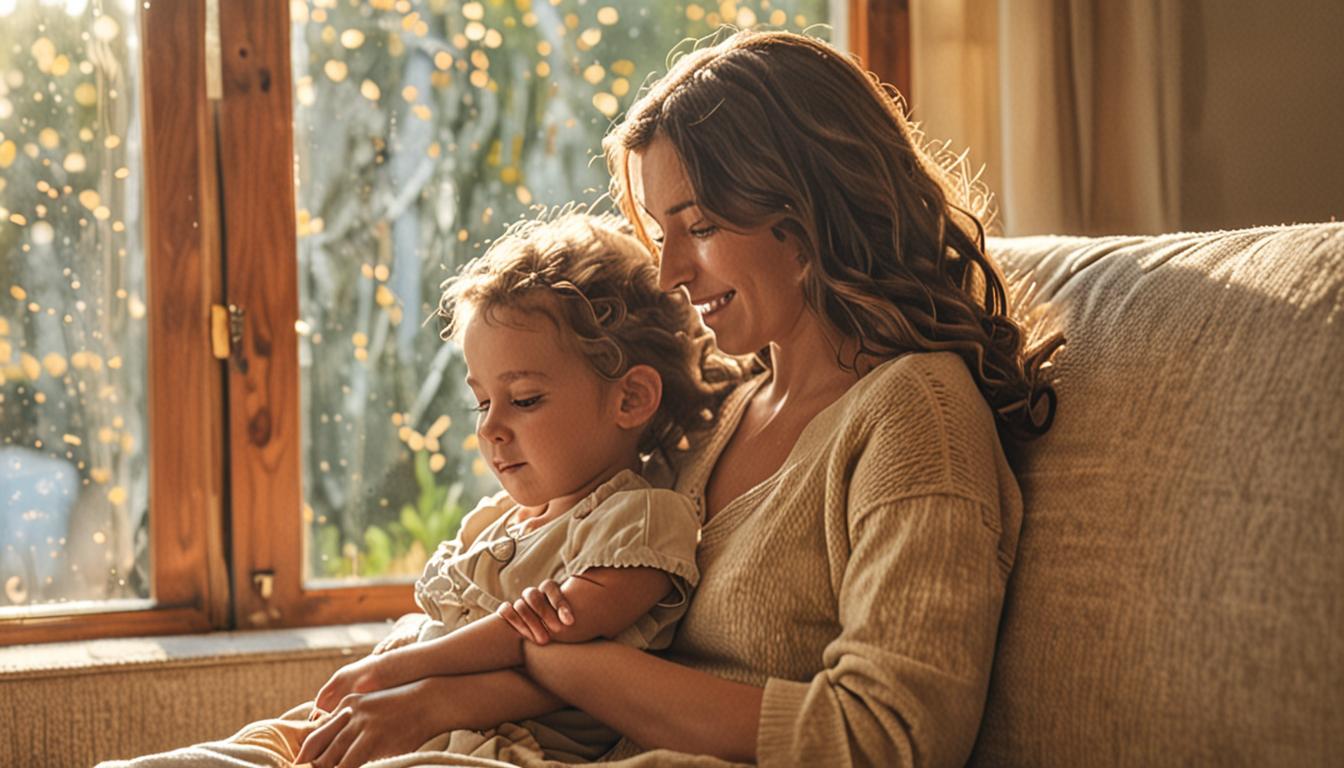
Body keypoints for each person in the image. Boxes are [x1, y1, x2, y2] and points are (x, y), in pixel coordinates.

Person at [100, 28, 1059, 768]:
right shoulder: (714, 409)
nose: (671, 269)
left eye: (701, 224)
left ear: (810, 211)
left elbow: (887, 737)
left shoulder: (914, 418)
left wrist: (546, 663)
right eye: (660, 226)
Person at [294, 211, 745, 765]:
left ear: (630, 399)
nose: (489, 427)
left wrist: (396, 668)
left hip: (502, 750)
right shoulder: (495, 521)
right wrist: (411, 638)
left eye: (525, 399)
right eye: (482, 402)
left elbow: (539, 644)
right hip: (417, 720)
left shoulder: (642, 522)